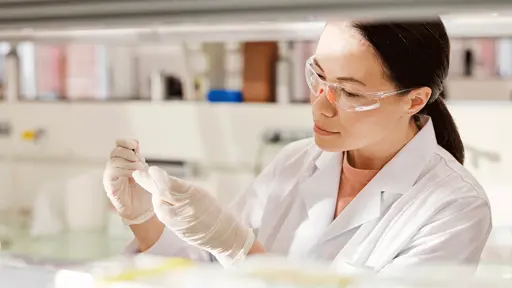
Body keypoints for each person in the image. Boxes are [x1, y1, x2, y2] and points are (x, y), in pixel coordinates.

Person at [103, 19, 492, 273]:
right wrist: (142, 219)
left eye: (350, 92)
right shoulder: (296, 161)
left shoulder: (454, 206)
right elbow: (205, 267)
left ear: (413, 100)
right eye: (318, 77)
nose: (321, 104)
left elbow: (232, 252)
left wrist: (240, 248)